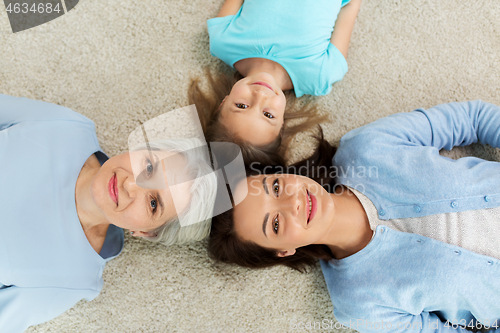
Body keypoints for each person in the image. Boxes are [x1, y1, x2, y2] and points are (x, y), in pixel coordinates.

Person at [208, 100, 500, 332]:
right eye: (275, 223)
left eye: (275, 187)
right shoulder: (359, 303)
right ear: (284, 251)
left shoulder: (367, 148)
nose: (292, 203)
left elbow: (472, 118)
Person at [0, 94, 217, 332]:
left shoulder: (72, 280)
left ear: (145, 232)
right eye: (149, 167)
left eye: (153, 203)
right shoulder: (67, 126)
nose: (130, 185)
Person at [189, 0, 362, 162]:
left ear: (223, 102)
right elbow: (350, 8)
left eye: (241, 106)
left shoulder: (222, 42)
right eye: (268, 115)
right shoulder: (320, 75)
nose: (260, 95)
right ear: (282, 125)